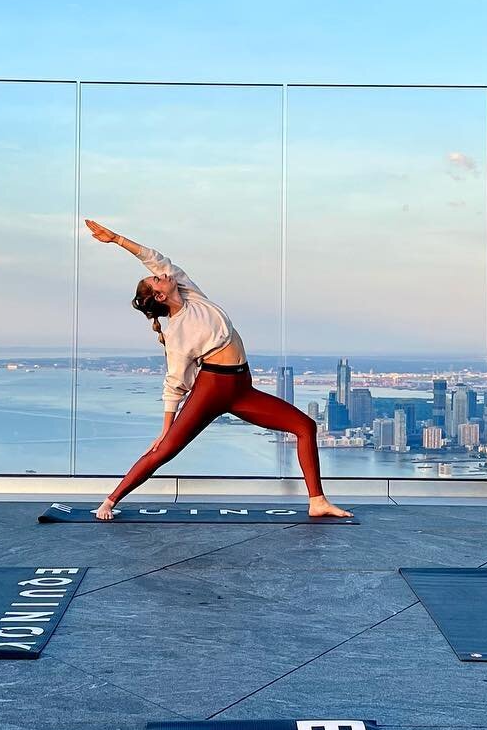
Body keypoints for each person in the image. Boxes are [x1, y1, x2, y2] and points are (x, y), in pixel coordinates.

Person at [84, 220, 353, 521]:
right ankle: (109, 500)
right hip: (212, 389)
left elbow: (156, 258)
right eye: (157, 279)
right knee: (166, 449)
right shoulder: (176, 333)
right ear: (159, 296)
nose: (162, 275)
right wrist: (165, 429)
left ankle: (317, 501)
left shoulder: (191, 295)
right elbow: (173, 383)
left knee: (305, 427)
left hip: (241, 389)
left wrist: (118, 239)